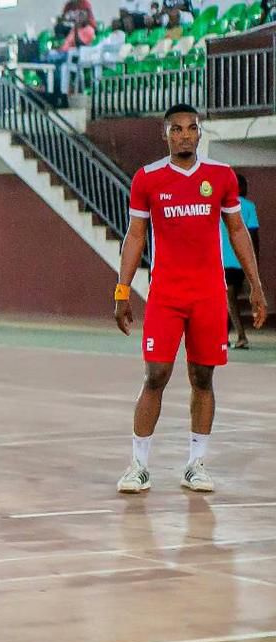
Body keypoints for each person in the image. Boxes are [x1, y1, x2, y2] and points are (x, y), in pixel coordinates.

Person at [114, 104, 267, 494]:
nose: (184, 135)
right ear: (164, 135)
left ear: (200, 134)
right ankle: (138, 465)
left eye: (191, 128)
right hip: (166, 294)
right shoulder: (147, 179)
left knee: (203, 377)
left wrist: (257, 285)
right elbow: (134, 237)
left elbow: (237, 231)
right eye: (176, 129)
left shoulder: (221, 177)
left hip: (209, 295)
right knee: (156, 376)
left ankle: (195, 464)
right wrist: (122, 290)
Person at [221, 174, 261, 349]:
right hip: (241, 261)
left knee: (230, 301)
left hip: (224, 261)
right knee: (229, 299)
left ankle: (242, 335)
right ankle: (223, 337)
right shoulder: (249, 207)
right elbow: (254, 237)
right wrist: (254, 263)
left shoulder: (220, 206)